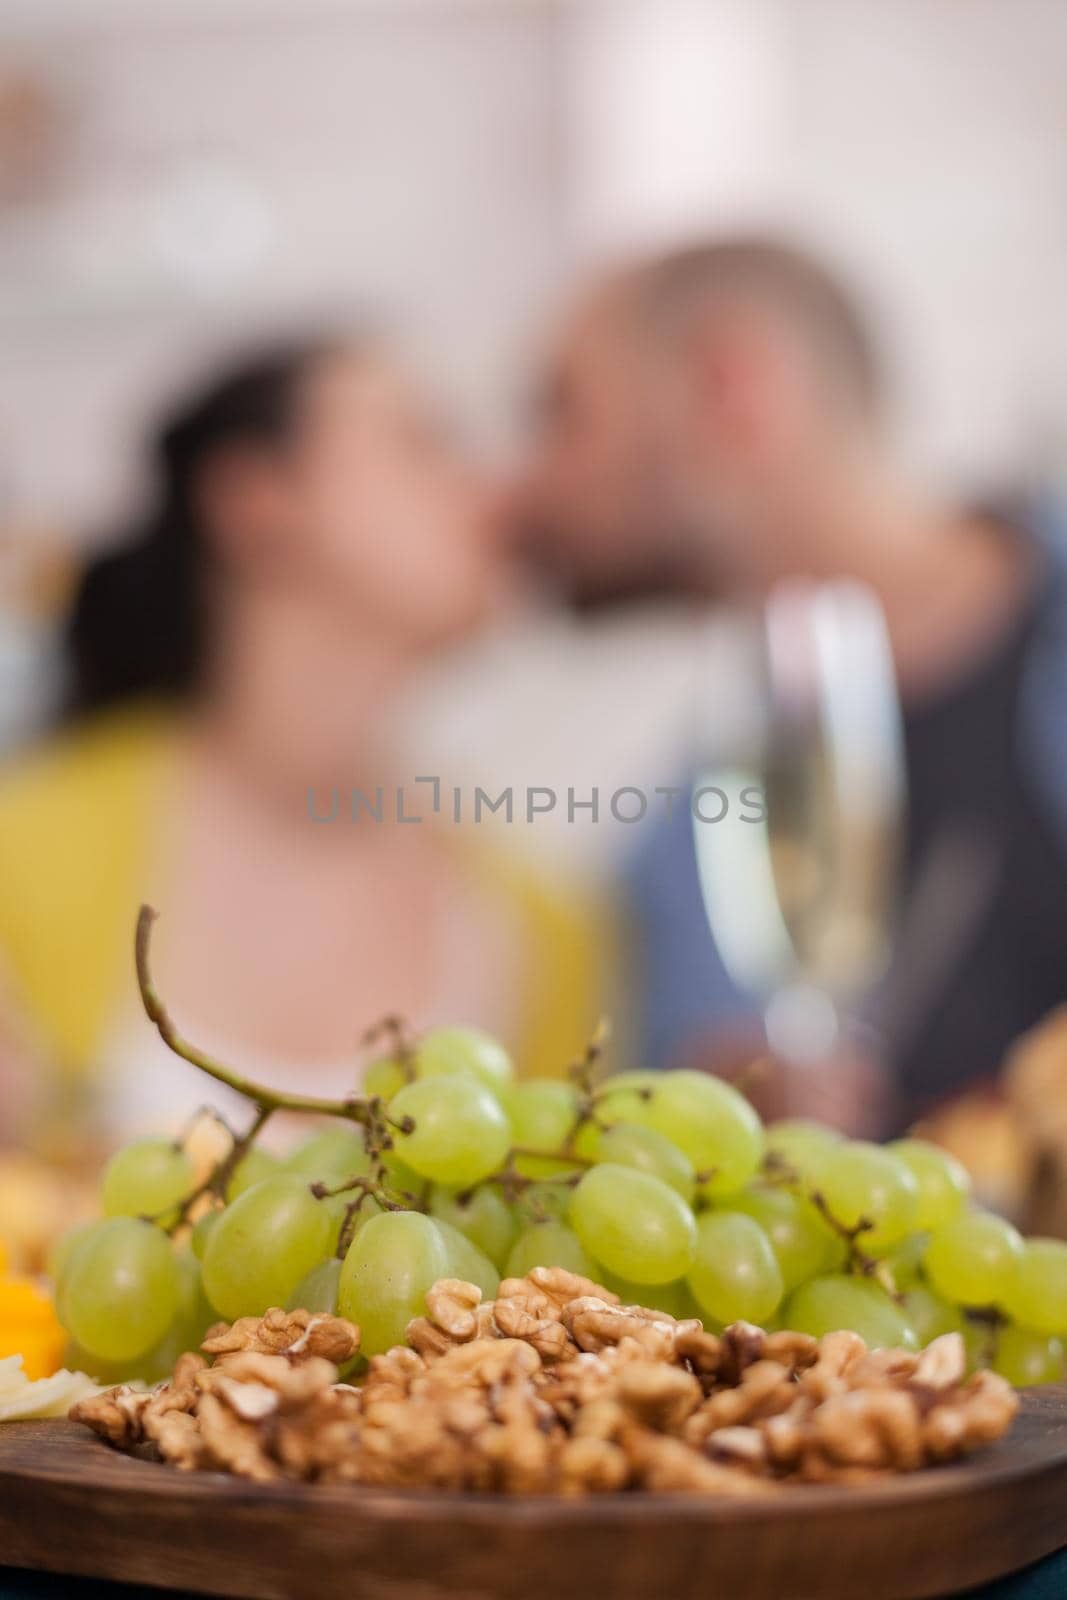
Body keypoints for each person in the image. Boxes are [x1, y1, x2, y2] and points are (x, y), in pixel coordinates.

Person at [0, 337, 607, 1151]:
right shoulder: (21, 849)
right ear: (257, 504)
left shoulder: (544, 927)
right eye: (422, 443)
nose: (492, 492)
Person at [522, 236, 1067, 1135]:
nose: (522, 486)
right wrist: (705, 1111)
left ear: (730, 389)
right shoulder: (676, 854)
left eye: (563, 413)